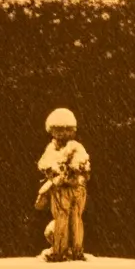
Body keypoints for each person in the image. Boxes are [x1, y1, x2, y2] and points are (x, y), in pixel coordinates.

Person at [36, 105, 90, 259]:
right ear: (51, 131)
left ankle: (73, 250)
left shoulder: (76, 147)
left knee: (72, 218)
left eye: (67, 130)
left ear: (73, 131)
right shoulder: (52, 148)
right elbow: (44, 164)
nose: (63, 133)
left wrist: (71, 171)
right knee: (64, 218)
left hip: (74, 189)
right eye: (59, 130)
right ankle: (62, 250)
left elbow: (83, 166)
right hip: (63, 189)